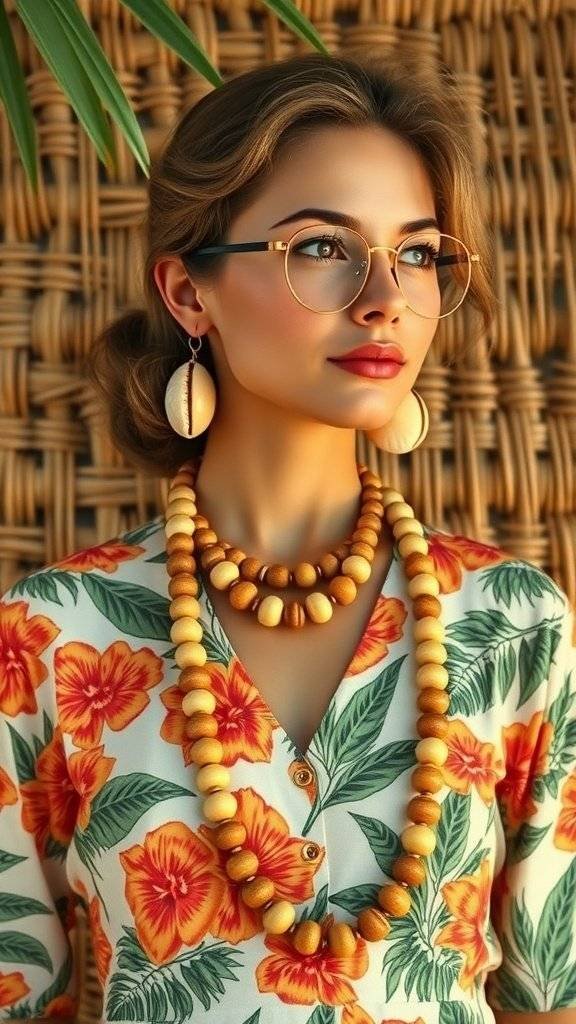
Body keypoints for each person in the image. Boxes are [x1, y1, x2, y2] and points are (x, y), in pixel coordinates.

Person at [0, 49, 575, 1024]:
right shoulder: (49, 639)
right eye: (321, 248)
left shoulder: (514, 623)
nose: (385, 294)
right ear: (189, 292)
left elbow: (550, 1000)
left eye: (421, 253)